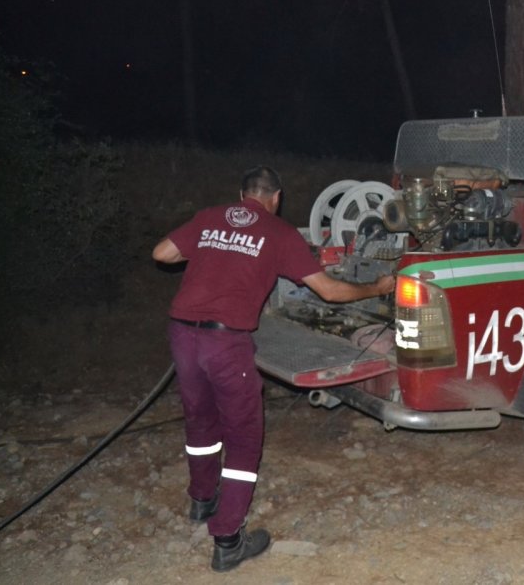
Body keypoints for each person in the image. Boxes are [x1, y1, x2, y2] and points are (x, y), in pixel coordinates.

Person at [152, 166, 395, 572]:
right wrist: (379, 288)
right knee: (245, 436)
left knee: (200, 419)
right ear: (277, 198)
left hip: (182, 333)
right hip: (225, 342)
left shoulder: (210, 216)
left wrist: (214, 248)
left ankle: (201, 500)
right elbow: (330, 291)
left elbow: (162, 254)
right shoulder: (279, 233)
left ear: (241, 193)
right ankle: (228, 539)